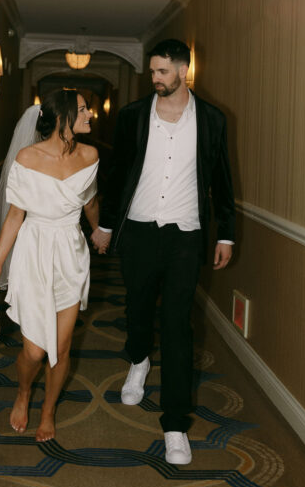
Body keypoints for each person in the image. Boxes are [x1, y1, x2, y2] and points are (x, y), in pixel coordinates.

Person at [90, 39, 235, 465]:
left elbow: (223, 181)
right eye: (152, 72)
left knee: (177, 326)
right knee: (137, 310)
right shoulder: (134, 116)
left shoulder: (211, 119)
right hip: (138, 231)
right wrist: (106, 223)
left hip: (185, 236)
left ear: (184, 71)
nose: (155, 79)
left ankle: (175, 425)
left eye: (163, 72)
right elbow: (117, 176)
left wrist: (225, 234)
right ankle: (138, 358)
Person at [0, 89, 100, 442]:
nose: (90, 115)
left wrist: (99, 229)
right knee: (33, 351)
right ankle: (23, 391)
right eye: (82, 110)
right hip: (33, 252)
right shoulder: (27, 158)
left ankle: (48, 411)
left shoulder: (91, 155)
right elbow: (16, 215)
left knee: (61, 349)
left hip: (71, 253)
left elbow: (90, 200)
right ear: (63, 117)